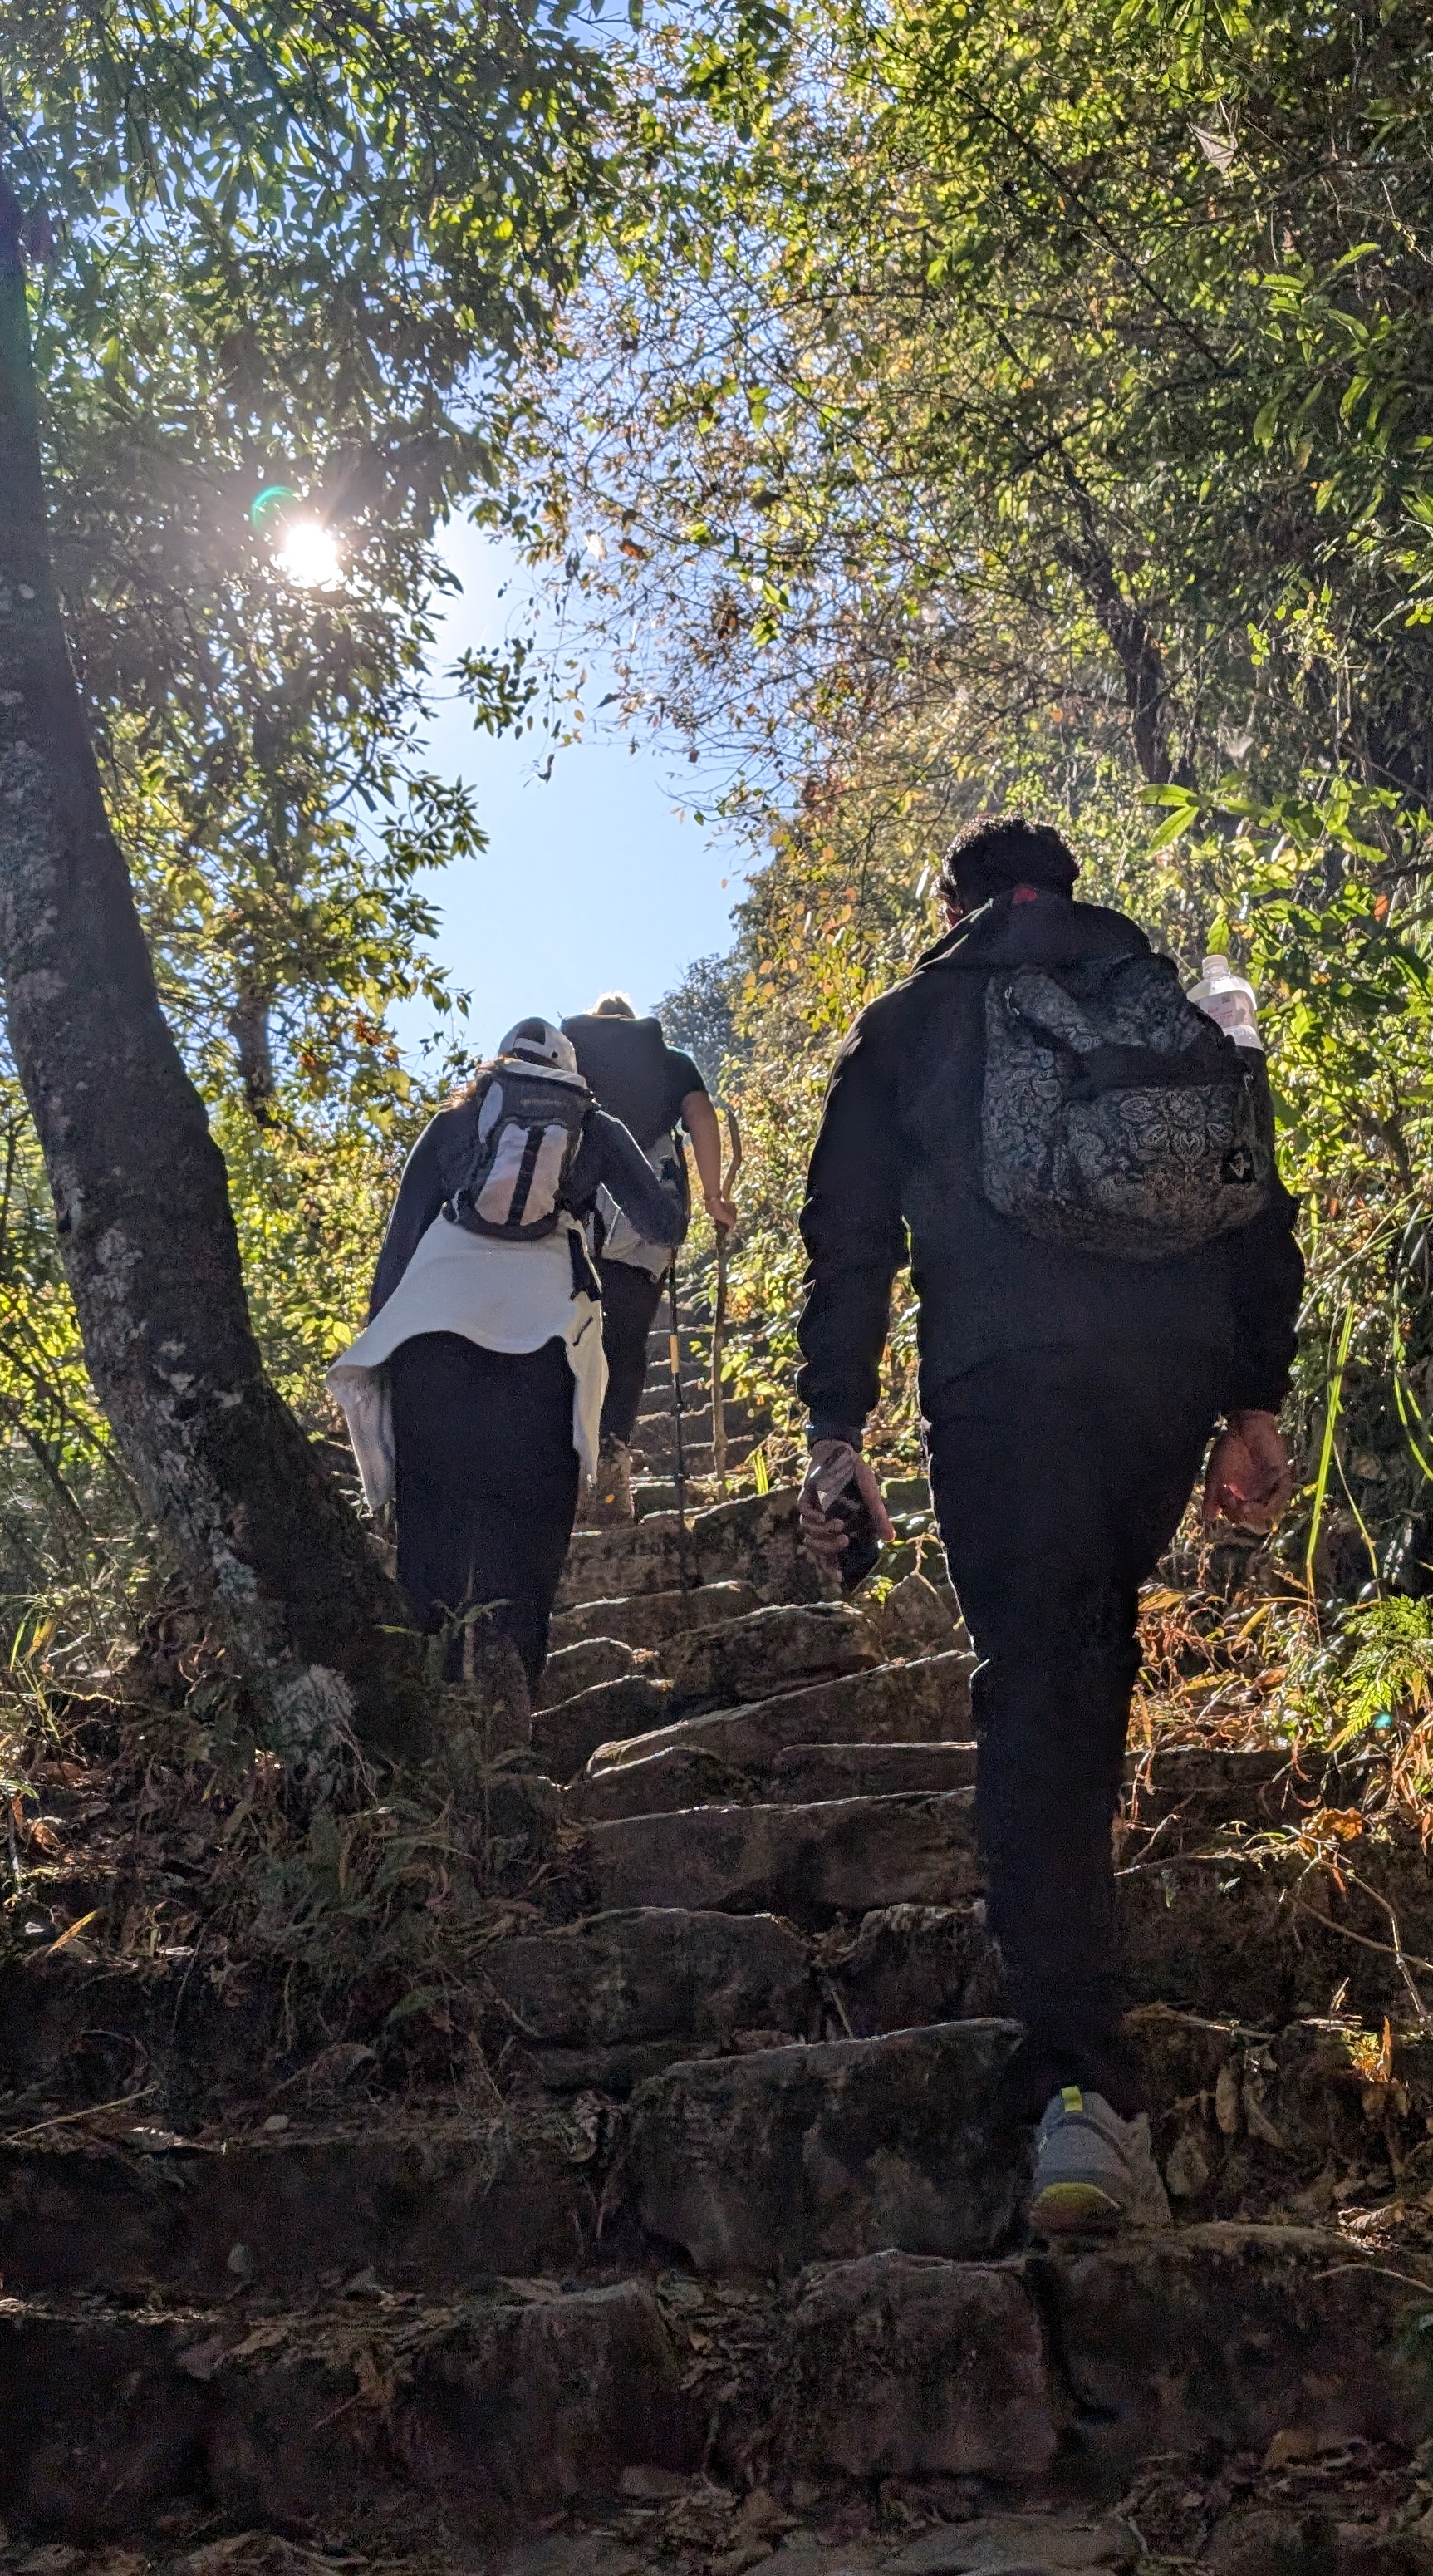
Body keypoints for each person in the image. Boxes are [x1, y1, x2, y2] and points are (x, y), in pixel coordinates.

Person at [796, 820, 1303, 2234]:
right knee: (1084, 1644)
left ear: (950, 901)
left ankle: (1080, 2091)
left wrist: (836, 1433)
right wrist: (1253, 1400)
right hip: (1165, 1373)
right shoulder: (1154, 997)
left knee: (1035, 1674)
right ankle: (1078, 1984)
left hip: (1000, 1382)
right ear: (1064, 890)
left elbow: (847, 1237)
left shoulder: (908, 1017)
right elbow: (1253, 1196)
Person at [329, 1018, 683, 1699]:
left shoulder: (453, 1124)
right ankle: (510, 1699)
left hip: (433, 1338)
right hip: (544, 1349)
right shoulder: (596, 1129)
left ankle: (431, 1705)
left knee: (432, 1536)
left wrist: (380, 1350)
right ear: (568, 1073)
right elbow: (661, 1225)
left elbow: (397, 1251)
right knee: (526, 1543)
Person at [559, 992, 738, 1515]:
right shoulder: (668, 1058)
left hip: (579, 1204)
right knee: (628, 1332)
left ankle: (561, 1461)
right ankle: (612, 1458)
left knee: (570, 1330)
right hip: (648, 1207)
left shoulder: (570, 1054)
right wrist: (712, 1196)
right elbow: (700, 1117)